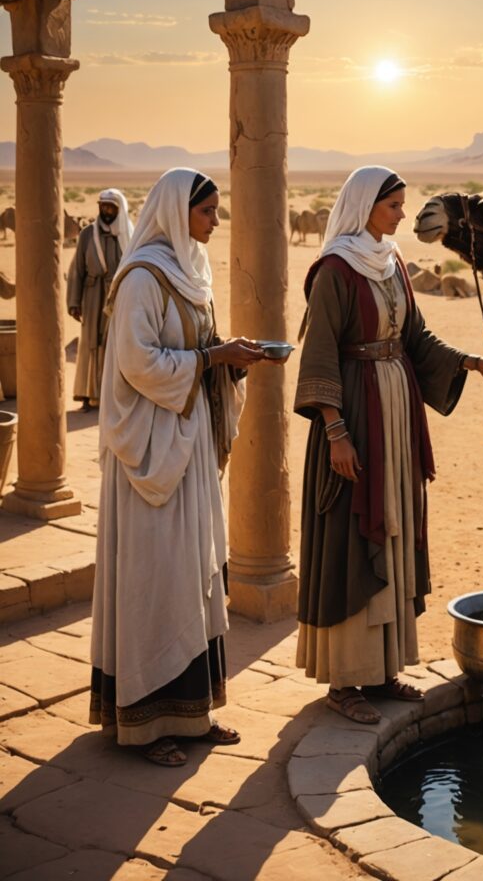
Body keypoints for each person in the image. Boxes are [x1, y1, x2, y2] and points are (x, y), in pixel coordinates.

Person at [294, 165, 483, 724]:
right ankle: (346, 681)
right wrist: (337, 433)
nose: (400, 215)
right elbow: (319, 355)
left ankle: (383, 668)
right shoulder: (336, 271)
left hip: (396, 413)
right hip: (355, 418)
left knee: (393, 525)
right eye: (393, 205)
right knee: (353, 532)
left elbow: (414, 338)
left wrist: (474, 362)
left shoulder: (391, 262)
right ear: (365, 206)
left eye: (401, 205)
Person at [89, 167, 276, 767]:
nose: (215, 223)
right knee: (155, 582)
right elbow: (137, 363)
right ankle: (147, 724)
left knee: (194, 574)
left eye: (217, 212)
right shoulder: (142, 278)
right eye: (206, 213)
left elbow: (201, 350)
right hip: (150, 456)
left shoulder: (194, 275)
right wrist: (211, 356)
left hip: (189, 448)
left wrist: (231, 361)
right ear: (176, 213)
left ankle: (194, 715)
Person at [67, 188, 133, 410]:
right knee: (90, 342)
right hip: (92, 294)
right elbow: (77, 269)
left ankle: (112, 394)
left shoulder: (128, 235)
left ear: (119, 209)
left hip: (119, 296)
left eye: (110, 207)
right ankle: (87, 394)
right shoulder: (88, 234)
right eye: (102, 206)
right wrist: (74, 302)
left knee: (114, 342)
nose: (105, 211)